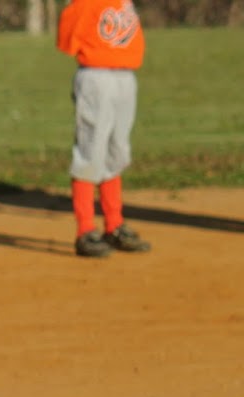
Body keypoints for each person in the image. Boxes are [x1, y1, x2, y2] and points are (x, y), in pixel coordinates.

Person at [57, 0, 150, 258]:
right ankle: (85, 231)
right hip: (96, 77)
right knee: (91, 152)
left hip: (125, 76)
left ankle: (114, 225)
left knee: (117, 151)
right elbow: (67, 36)